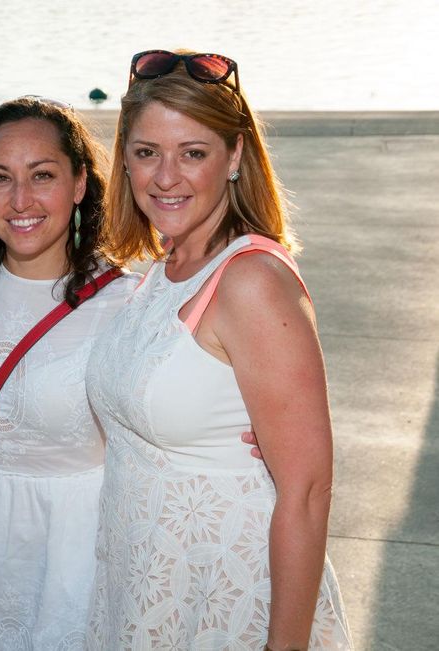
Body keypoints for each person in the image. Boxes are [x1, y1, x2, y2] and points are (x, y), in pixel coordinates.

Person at [85, 50, 351, 649]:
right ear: (124, 159)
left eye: (193, 153)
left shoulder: (251, 281)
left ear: (234, 157)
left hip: (226, 596)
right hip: (145, 586)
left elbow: (307, 493)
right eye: (146, 152)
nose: (166, 176)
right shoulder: (164, 267)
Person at [0, 96, 140, 649]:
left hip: (84, 547)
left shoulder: (129, 304)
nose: (21, 200)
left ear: (80, 184)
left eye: (42, 175)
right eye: (1, 178)